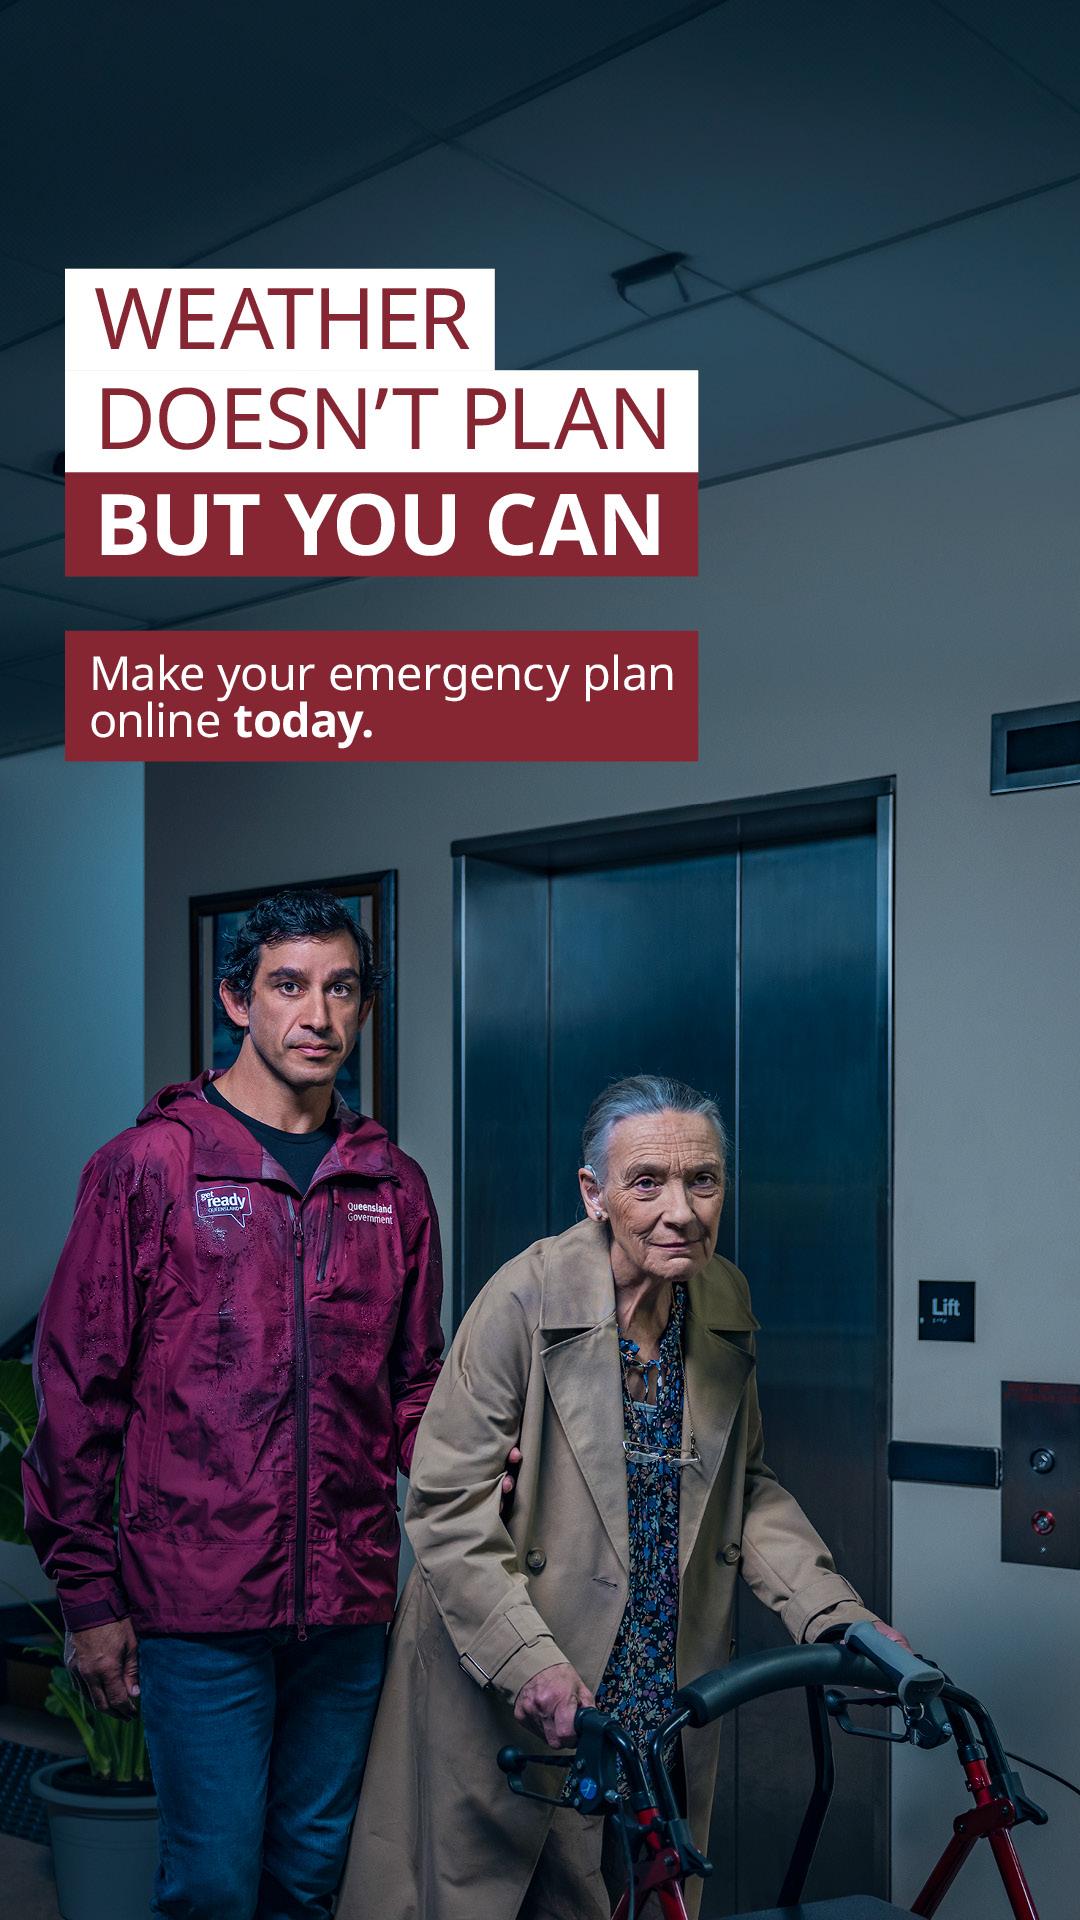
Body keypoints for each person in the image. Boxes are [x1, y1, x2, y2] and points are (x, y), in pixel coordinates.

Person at [339, 1073, 907, 1920]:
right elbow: (447, 1509)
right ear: (593, 1193)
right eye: (647, 1182)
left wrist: (838, 1616)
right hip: (515, 1659)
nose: (681, 1210)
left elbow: (744, 1489)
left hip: (654, 1679)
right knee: (499, 1893)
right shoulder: (523, 1298)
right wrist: (530, 1664)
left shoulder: (724, 1298)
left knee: (635, 1892)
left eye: (702, 1180)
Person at [22, 887, 446, 1920]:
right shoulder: (148, 1169)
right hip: (196, 1607)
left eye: (342, 989)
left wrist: (481, 1469)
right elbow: (78, 1395)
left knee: (309, 1878)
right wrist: (89, 1597)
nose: (318, 1015)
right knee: (211, 1884)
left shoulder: (392, 1186)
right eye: (289, 986)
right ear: (236, 999)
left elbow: (415, 1387)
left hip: (345, 1604)